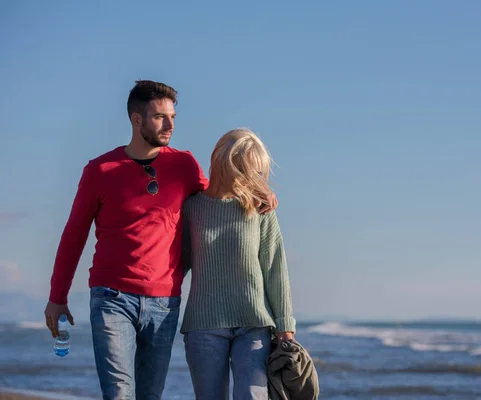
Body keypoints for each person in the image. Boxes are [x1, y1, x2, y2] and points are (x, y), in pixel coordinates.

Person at [43, 81, 277, 399]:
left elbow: (219, 198)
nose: (169, 125)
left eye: (173, 117)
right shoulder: (100, 170)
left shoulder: (184, 165)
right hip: (112, 298)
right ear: (136, 119)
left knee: (150, 395)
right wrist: (58, 297)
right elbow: (74, 236)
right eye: (159, 117)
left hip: (164, 303)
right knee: (120, 392)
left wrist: (257, 192)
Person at [180, 128, 296, 400]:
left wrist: (285, 326)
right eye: (246, 170)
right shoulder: (191, 208)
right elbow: (175, 265)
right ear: (223, 163)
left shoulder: (260, 209)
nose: (253, 179)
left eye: (257, 172)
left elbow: (275, 268)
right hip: (203, 326)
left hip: (254, 325)